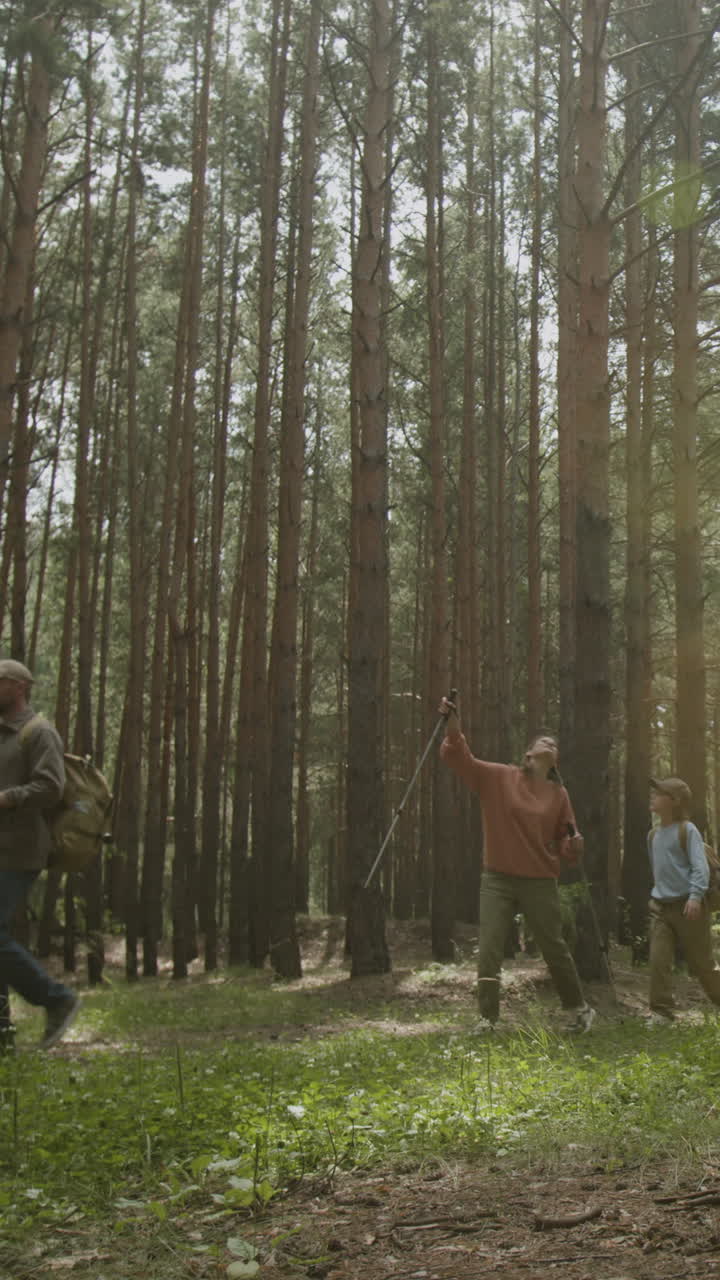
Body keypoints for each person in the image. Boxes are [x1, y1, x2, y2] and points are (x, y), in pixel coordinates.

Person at [438, 694, 596, 1032]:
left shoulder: (559, 794)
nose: (549, 744)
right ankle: (487, 1019)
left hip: (539, 879)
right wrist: (454, 726)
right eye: (543, 741)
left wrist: (574, 845)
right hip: (497, 877)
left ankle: (580, 1009)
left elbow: (567, 845)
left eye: (553, 745)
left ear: (555, 761)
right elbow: (461, 758)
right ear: (529, 753)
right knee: (490, 947)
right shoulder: (500, 777)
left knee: (553, 946)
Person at [0, 658, 79, 1049]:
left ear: (18, 686)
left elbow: (51, 787)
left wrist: (8, 799)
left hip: (19, 852)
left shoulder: (40, 732)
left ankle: (57, 999)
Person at [646, 776, 720, 1024]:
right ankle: (661, 1011)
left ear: (674, 801)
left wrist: (696, 897)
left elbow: (701, 868)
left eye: (658, 793)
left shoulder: (687, 830)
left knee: (703, 965)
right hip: (662, 909)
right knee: (658, 959)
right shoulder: (653, 835)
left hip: (690, 907)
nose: (652, 796)